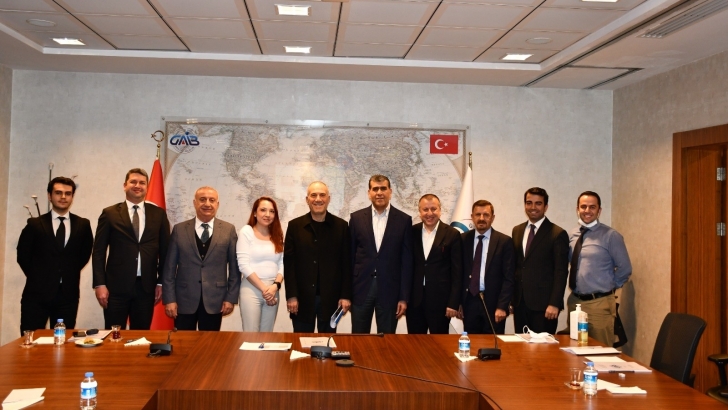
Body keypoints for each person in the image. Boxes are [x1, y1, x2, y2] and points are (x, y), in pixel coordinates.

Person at [92, 168, 170, 329]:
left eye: (142, 183)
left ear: (147, 187)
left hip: (146, 288)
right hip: (115, 288)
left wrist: (161, 283)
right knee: (114, 335)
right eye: (133, 182)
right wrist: (100, 284)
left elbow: (165, 252)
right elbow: (98, 252)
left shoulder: (159, 214)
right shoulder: (110, 213)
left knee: (140, 336)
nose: (137, 186)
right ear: (125, 185)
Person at [16, 176, 93, 334]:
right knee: (30, 340)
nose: (63, 197)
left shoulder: (83, 225)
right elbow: (23, 255)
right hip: (36, 295)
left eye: (68, 193)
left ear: (72, 196)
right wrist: (39, 276)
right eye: (58, 193)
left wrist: (66, 272)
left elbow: (84, 255)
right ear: (49, 196)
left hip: (68, 295)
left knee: (62, 341)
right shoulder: (35, 224)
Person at [162, 187, 240, 331]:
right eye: (202, 199)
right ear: (195, 203)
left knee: (210, 343)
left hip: (215, 300)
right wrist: (170, 299)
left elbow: (235, 269)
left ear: (217, 204)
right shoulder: (179, 230)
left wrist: (230, 298)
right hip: (183, 300)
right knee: (183, 343)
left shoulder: (228, 230)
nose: (207, 204)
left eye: (212, 200)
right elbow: (169, 269)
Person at [284, 181, 351, 333]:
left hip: (331, 299)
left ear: (329, 199)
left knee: (327, 343)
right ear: (307, 199)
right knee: (301, 342)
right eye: (313, 195)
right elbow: (289, 265)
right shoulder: (295, 226)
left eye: (322, 195)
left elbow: (346, 264)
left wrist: (345, 295)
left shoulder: (341, 226)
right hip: (301, 299)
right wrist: (291, 296)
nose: (318, 199)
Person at [349, 175, 413, 334]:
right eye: (375, 189)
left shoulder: (404, 220)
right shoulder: (356, 218)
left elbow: (406, 262)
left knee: (387, 340)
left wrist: (403, 297)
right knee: (359, 338)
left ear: (390, 191)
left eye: (383, 188)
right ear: (369, 192)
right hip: (361, 289)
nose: (379, 192)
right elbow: (349, 257)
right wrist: (346, 294)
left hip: (390, 291)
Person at [567, 191, 632, 347]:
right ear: (577, 209)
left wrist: (608, 287)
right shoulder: (572, 235)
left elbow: (625, 268)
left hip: (599, 304)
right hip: (575, 302)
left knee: (600, 351)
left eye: (592, 207)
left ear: (599, 210)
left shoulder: (611, 236)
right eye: (583, 207)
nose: (587, 211)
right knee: (575, 349)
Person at [511, 187, 568, 334]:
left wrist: (554, 303)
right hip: (520, 304)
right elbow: (517, 267)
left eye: (538, 203)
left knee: (542, 346)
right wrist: (511, 299)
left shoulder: (557, 233)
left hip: (545, 307)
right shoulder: (517, 230)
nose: (533, 207)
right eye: (529, 203)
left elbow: (561, 272)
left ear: (546, 206)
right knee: (521, 345)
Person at [407, 194, 462, 334]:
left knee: (439, 343)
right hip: (414, 302)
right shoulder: (411, 232)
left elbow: (457, 272)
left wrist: (453, 303)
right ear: (419, 212)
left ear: (440, 210)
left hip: (441, 302)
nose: (429, 213)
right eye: (425, 209)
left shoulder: (452, 234)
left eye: (433, 209)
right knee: (415, 342)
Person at [459, 200, 514, 334]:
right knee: (471, 342)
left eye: (486, 215)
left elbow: (509, 277)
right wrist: (458, 302)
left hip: (494, 305)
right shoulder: (462, 240)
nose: (481, 218)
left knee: (493, 344)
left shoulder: (504, 241)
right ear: (472, 217)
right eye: (478, 214)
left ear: (492, 218)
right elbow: (458, 274)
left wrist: (502, 306)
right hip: (469, 302)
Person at [237, 196, 284, 332]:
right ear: (255, 213)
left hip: (273, 289)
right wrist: (265, 290)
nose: (267, 214)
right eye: (263, 210)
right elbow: (243, 265)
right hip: (251, 289)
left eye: (272, 211)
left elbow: (282, 263)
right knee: (251, 335)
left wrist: (275, 286)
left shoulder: (277, 235)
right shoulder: (247, 231)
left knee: (267, 335)